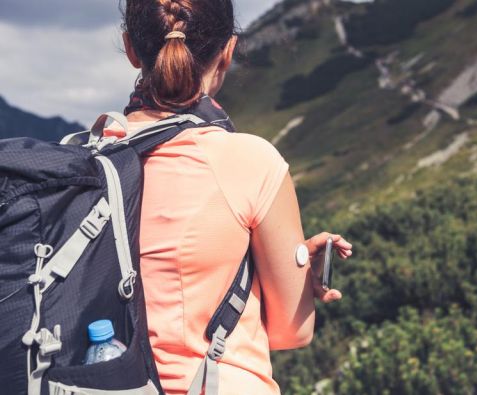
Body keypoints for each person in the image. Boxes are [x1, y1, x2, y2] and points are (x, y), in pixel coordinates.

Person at [114, 0, 353, 394]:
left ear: (131, 48)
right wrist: (289, 274)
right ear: (227, 51)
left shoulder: (81, 161)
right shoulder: (250, 161)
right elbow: (293, 332)